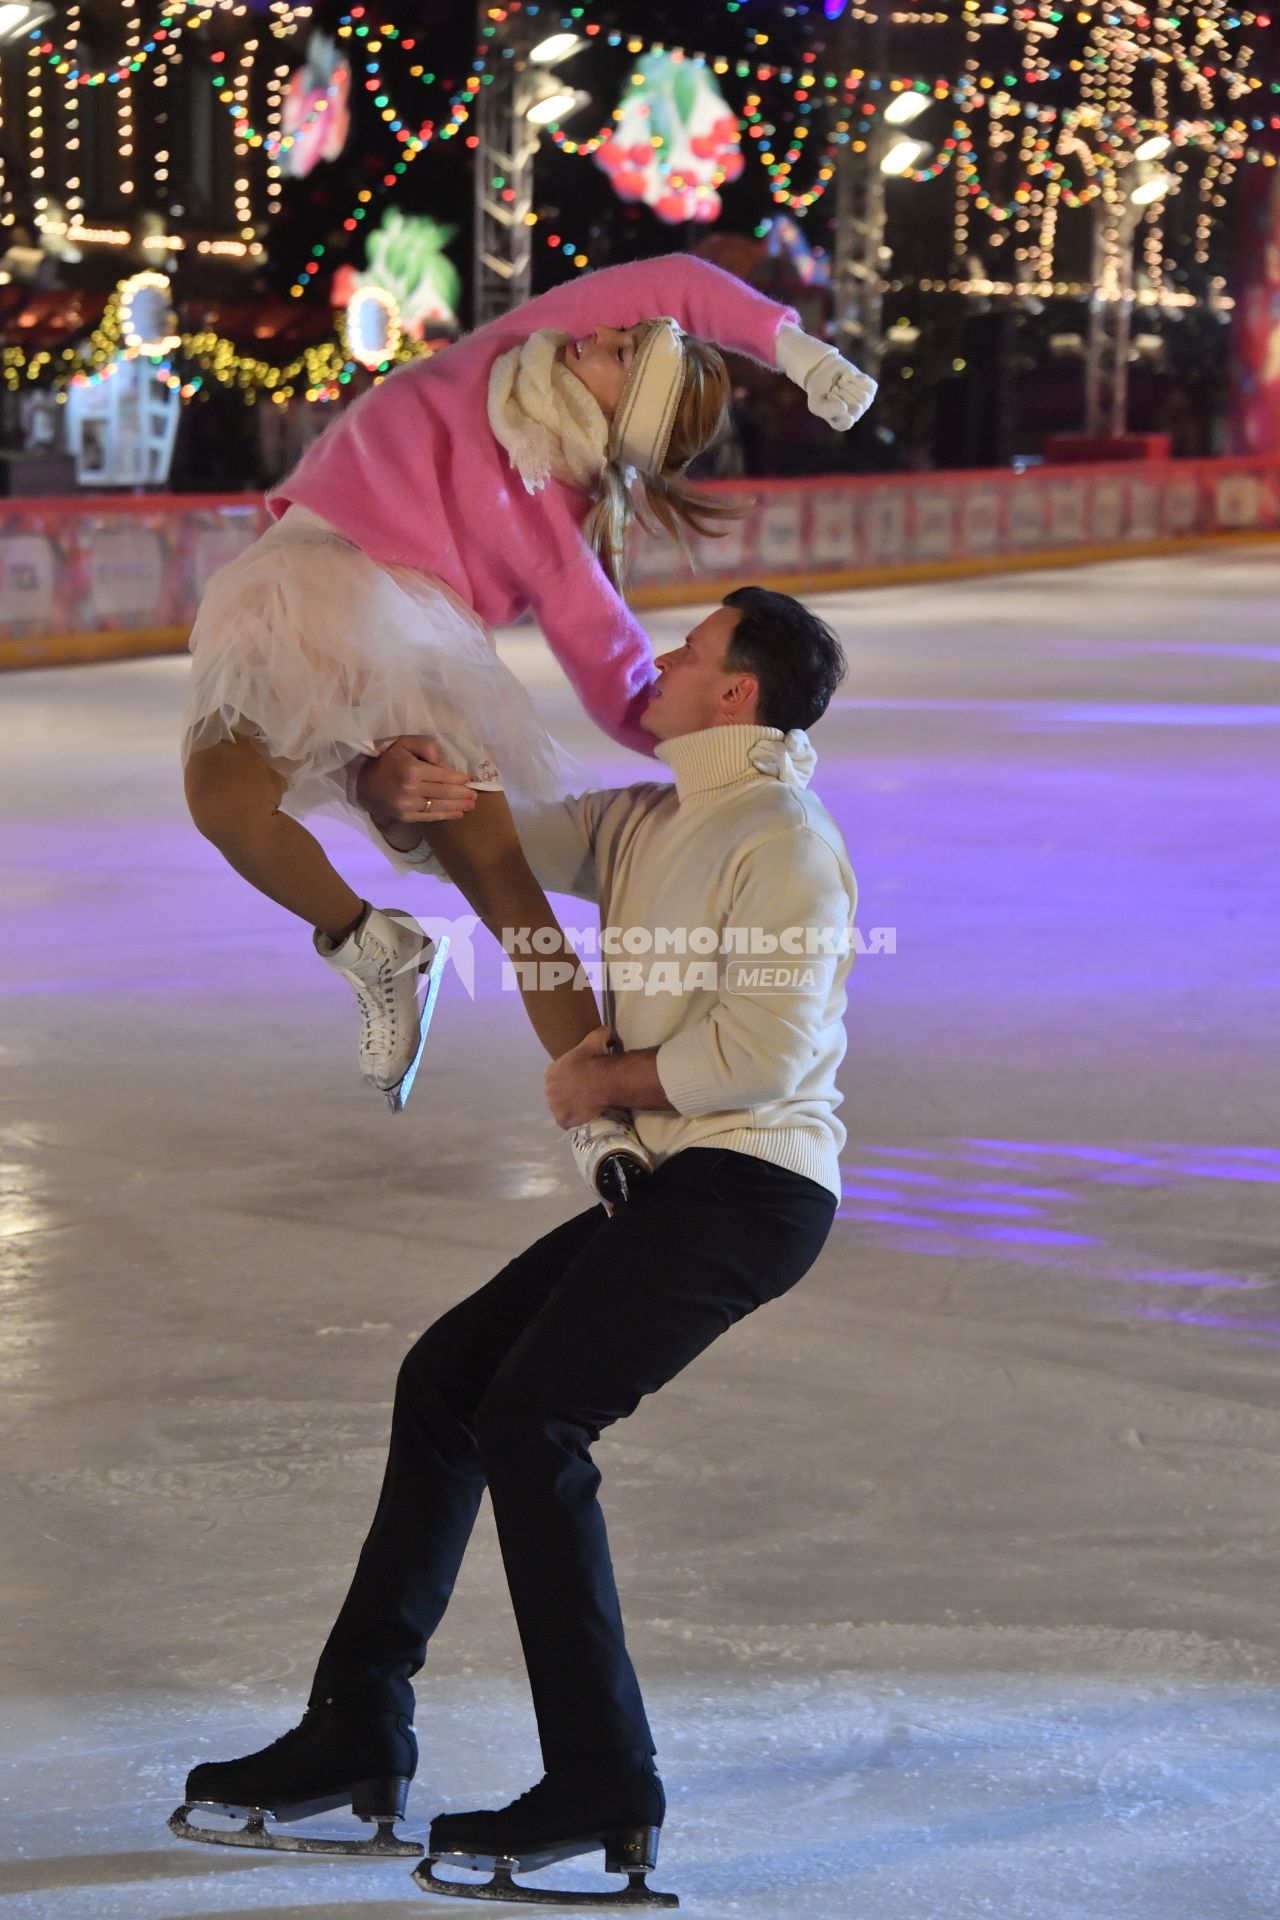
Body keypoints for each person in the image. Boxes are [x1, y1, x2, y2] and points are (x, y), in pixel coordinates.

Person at [169, 584, 857, 1906]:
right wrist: (410, 789)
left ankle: (604, 1778)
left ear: (738, 698)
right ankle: (360, 1727)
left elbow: (774, 1051)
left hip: (754, 1189)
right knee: (451, 1384)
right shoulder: (655, 818)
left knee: (533, 1421)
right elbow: (504, 835)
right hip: (686, 1185)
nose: (659, 659)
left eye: (694, 649)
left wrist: (618, 1080)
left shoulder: (783, 835)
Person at [178, 253, 874, 1201]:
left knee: (511, 896)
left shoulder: (554, 532)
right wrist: (793, 348)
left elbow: (634, 688)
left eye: (622, 351)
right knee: (222, 803)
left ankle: (602, 1131)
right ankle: (375, 946)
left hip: (411, 644)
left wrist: (755, 761)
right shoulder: (506, 356)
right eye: (619, 333)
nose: (602, 331)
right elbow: (675, 277)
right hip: (292, 582)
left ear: (626, 413)